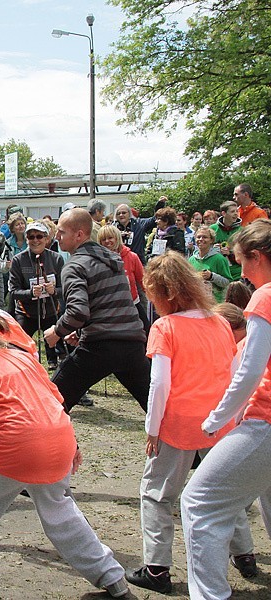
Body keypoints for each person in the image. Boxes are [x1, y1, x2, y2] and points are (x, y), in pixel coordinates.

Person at [0, 292, 129, 599]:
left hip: (16, 447)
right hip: (57, 440)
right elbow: (56, 400)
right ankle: (113, 580)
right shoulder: (19, 354)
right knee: (61, 513)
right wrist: (72, 445)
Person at [127, 252, 247, 594]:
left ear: (162, 293)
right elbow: (234, 372)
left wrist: (152, 428)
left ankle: (157, 567)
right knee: (225, 490)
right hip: (218, 421)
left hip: (178, 424)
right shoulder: (220, 322)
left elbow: (159, 383)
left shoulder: (165, 327)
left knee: (155, 494)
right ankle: (245, 553)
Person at [181, 218, 271, 600]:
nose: (242, 273)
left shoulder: (265, 295)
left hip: (265, 419)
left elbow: (250, 367)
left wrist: (217, 418)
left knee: (199, 501)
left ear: (256, 256)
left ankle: (210, 595)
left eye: (242, 262)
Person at [44, 208, 150, 413]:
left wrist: (56, 332)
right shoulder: (113, 260)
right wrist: (82, 331)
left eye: (61, 232)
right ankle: (191, 442)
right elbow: (108, 304)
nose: (57, 236)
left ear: (79, 235)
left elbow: (77, 312)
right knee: (157, 408)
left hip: (100, 346)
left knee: (51, 404)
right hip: (132, 344)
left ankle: (50, 445)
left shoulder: (74, 266)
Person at [8, 221, 65, 369]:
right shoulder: (18, 260)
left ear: (47, 239)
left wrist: (54, 291)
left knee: (56, 342)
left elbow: (64, 289)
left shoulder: (56, 258)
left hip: (51, 310)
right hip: (26, 312)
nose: (35, 240)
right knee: (17, 346)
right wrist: (30, 293)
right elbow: (13, 292)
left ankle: (55, 361)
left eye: (39, 236)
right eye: (31, 237)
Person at [98, 225, 149, 333]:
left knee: (147, 331)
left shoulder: (132, 257)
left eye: (110, 238)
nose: (107, 241)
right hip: (110, 308)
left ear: (117, 238)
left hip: (133, 304)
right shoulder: (97, 260)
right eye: (103, 239)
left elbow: (143, 281)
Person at [188, 226, 232, 303]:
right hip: (196, 302)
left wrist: (212, 276)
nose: (201, 239)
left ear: (211, 240)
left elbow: (227, 283)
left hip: (215, 303)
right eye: (198, 237)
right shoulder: (191, 259)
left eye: (205, 237)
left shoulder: (219, 259)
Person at [211, 200, 243, 281]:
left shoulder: (242, 231)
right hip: (219, 273)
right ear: (224, 213)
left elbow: (245, 253)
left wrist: (230, 253)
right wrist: (213, 249)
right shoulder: (212, 229)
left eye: (237, 211)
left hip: (237, 274)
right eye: (232, 211)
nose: (236, 214)